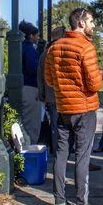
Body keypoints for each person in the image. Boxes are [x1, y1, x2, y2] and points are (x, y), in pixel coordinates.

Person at [45, 8, 103, 205]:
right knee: (82, 155)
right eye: (91, 21)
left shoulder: (55, 47)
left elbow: (50, 80)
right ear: (80, 22)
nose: (93, 25)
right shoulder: (86, 47)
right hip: (84, 108)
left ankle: (59, 202)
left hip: (63, 108)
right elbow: (95, 83)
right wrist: (100, 74)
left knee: (61, 154)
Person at [37, 25, 66, 156]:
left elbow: (40, 76)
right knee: (65, 128)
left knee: (55, 126)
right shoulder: (62, 51)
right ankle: (63, 152)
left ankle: (57, 152)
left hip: (51, 97)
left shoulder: (45, 53)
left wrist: (42, 94)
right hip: (63, 96)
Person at [19, 20, 42, 144]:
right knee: (32, 123)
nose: (38, 38)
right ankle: (31, 147)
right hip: (30, 89)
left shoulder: (19, 47)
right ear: (31, 36)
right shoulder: (30, 49)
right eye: (36, 35)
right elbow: (33, 69)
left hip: (22, 87)